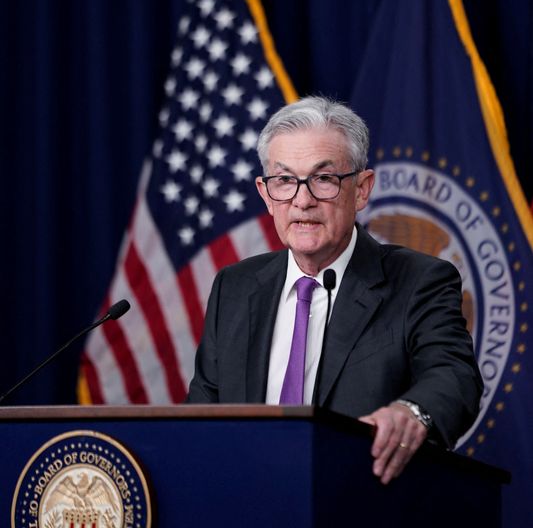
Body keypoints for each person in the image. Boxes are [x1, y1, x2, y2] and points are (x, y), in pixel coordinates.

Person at [187, 96, 482, 484]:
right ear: (265, 193)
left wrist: (412, 413)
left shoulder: (419, 281)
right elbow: (201, 418)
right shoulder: (235, 288)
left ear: (362, 189)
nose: (303, 200)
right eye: (285, 180)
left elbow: (454, 375)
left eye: (323, 179)